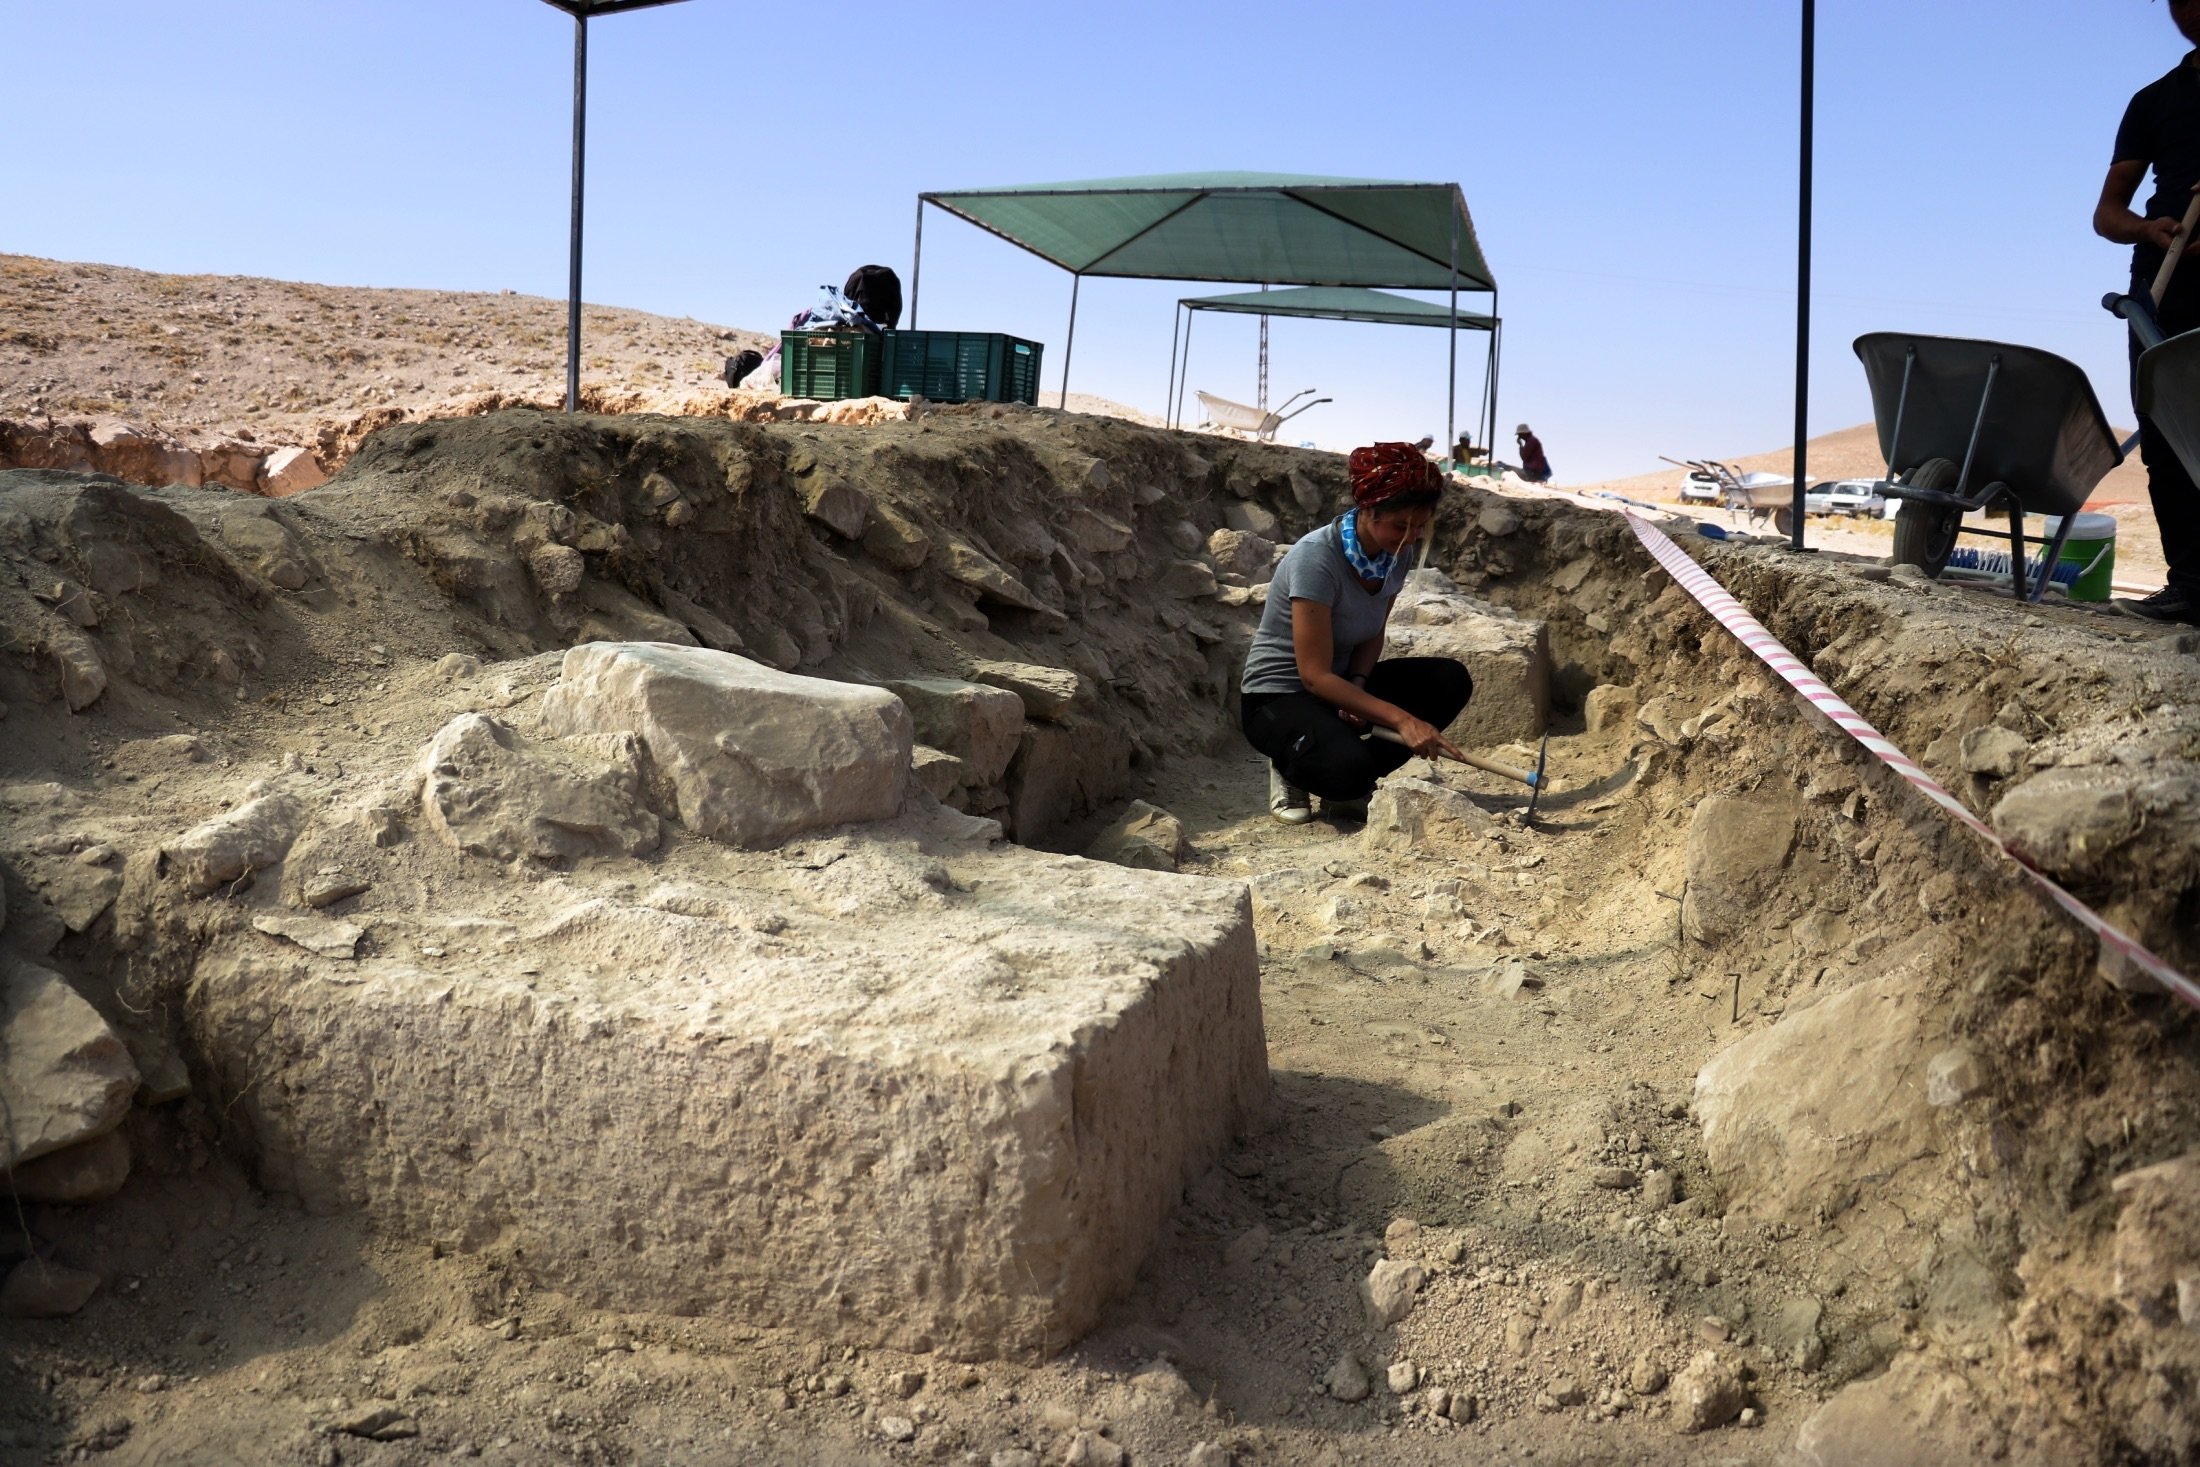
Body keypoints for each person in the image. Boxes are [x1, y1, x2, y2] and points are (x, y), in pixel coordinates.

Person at [1239, 443, 1473, 824]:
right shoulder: (1317, 559)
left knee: (1449, 680)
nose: (1411, 537)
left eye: (1420, 526)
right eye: (1401, 525)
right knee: (1349, 768)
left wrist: (1359, 684)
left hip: (1338, 684)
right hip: (1280, 695)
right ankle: (1289, 763)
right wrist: (1401, 719)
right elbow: (1313, 676)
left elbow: (1373, 631)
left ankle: (1345, 780)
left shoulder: (1398, 552)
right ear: (1368, 510)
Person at [2096, 0, 2200, 624]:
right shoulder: (2154, 100)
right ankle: (2191, 585)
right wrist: (2149, 230)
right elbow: (2107, 213)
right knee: (2166, 439)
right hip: (2164, 289)